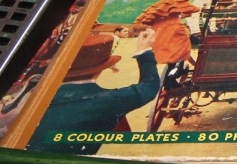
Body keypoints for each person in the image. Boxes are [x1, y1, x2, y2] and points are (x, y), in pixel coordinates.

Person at [30, 29, 161, 155]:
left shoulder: (31, 96)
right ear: (100, 70)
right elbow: (149, 87)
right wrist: (144, 52)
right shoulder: (108, 100)